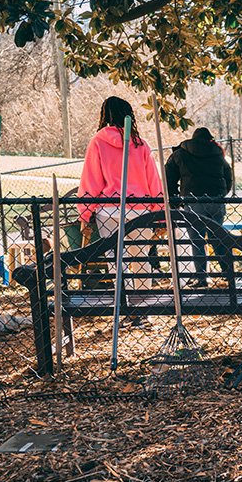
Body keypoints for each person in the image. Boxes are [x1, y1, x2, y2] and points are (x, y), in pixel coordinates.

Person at [78, 96, 164, 328]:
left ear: (105, 115)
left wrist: (85, 213)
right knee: (140, 260)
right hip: (140, 211)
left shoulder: (97, 142)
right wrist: (160, 210)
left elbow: (90, 180)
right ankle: (142, 311)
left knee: (117, 262)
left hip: (109, 211)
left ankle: (127, 309)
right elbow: (153, 181)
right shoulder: (140, 144)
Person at [164, 126, 234, 288]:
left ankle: (202, 278)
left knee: (197, 241)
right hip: (216, 202)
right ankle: (228, 274)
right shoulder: (218, 154)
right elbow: (228, 177)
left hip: (193, 201)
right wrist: (221, 194)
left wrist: (175, 198)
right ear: (210, 139)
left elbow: (169, 176)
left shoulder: (181, 153)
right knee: (218, 238)